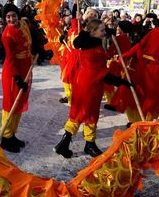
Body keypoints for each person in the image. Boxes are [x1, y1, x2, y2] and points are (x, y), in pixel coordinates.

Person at [54, 19, 131, 158]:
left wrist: (107, 31)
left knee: (82, 112)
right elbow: (102, 73)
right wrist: (121, 82)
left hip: (86, 82)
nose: (104, 33)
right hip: (89, 84)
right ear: (93, 32)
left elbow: (87, 39)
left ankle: (80, 143)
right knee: (85, 113)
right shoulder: (92, 50)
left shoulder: (92, 43)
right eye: (101, 30)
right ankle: (77, 144)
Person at [0, 3, 33, 153]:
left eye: (13, 15)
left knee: (19, 103)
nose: (11, 19)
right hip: (13, 72)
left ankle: (12, 134)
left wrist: (38, 46)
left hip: (26, 66)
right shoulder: (7, 35)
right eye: (8, 17)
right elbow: (11, 58)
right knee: (10, 104)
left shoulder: (24, 24)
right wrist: (17, 78)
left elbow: (32, 36)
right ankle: (5, 137)